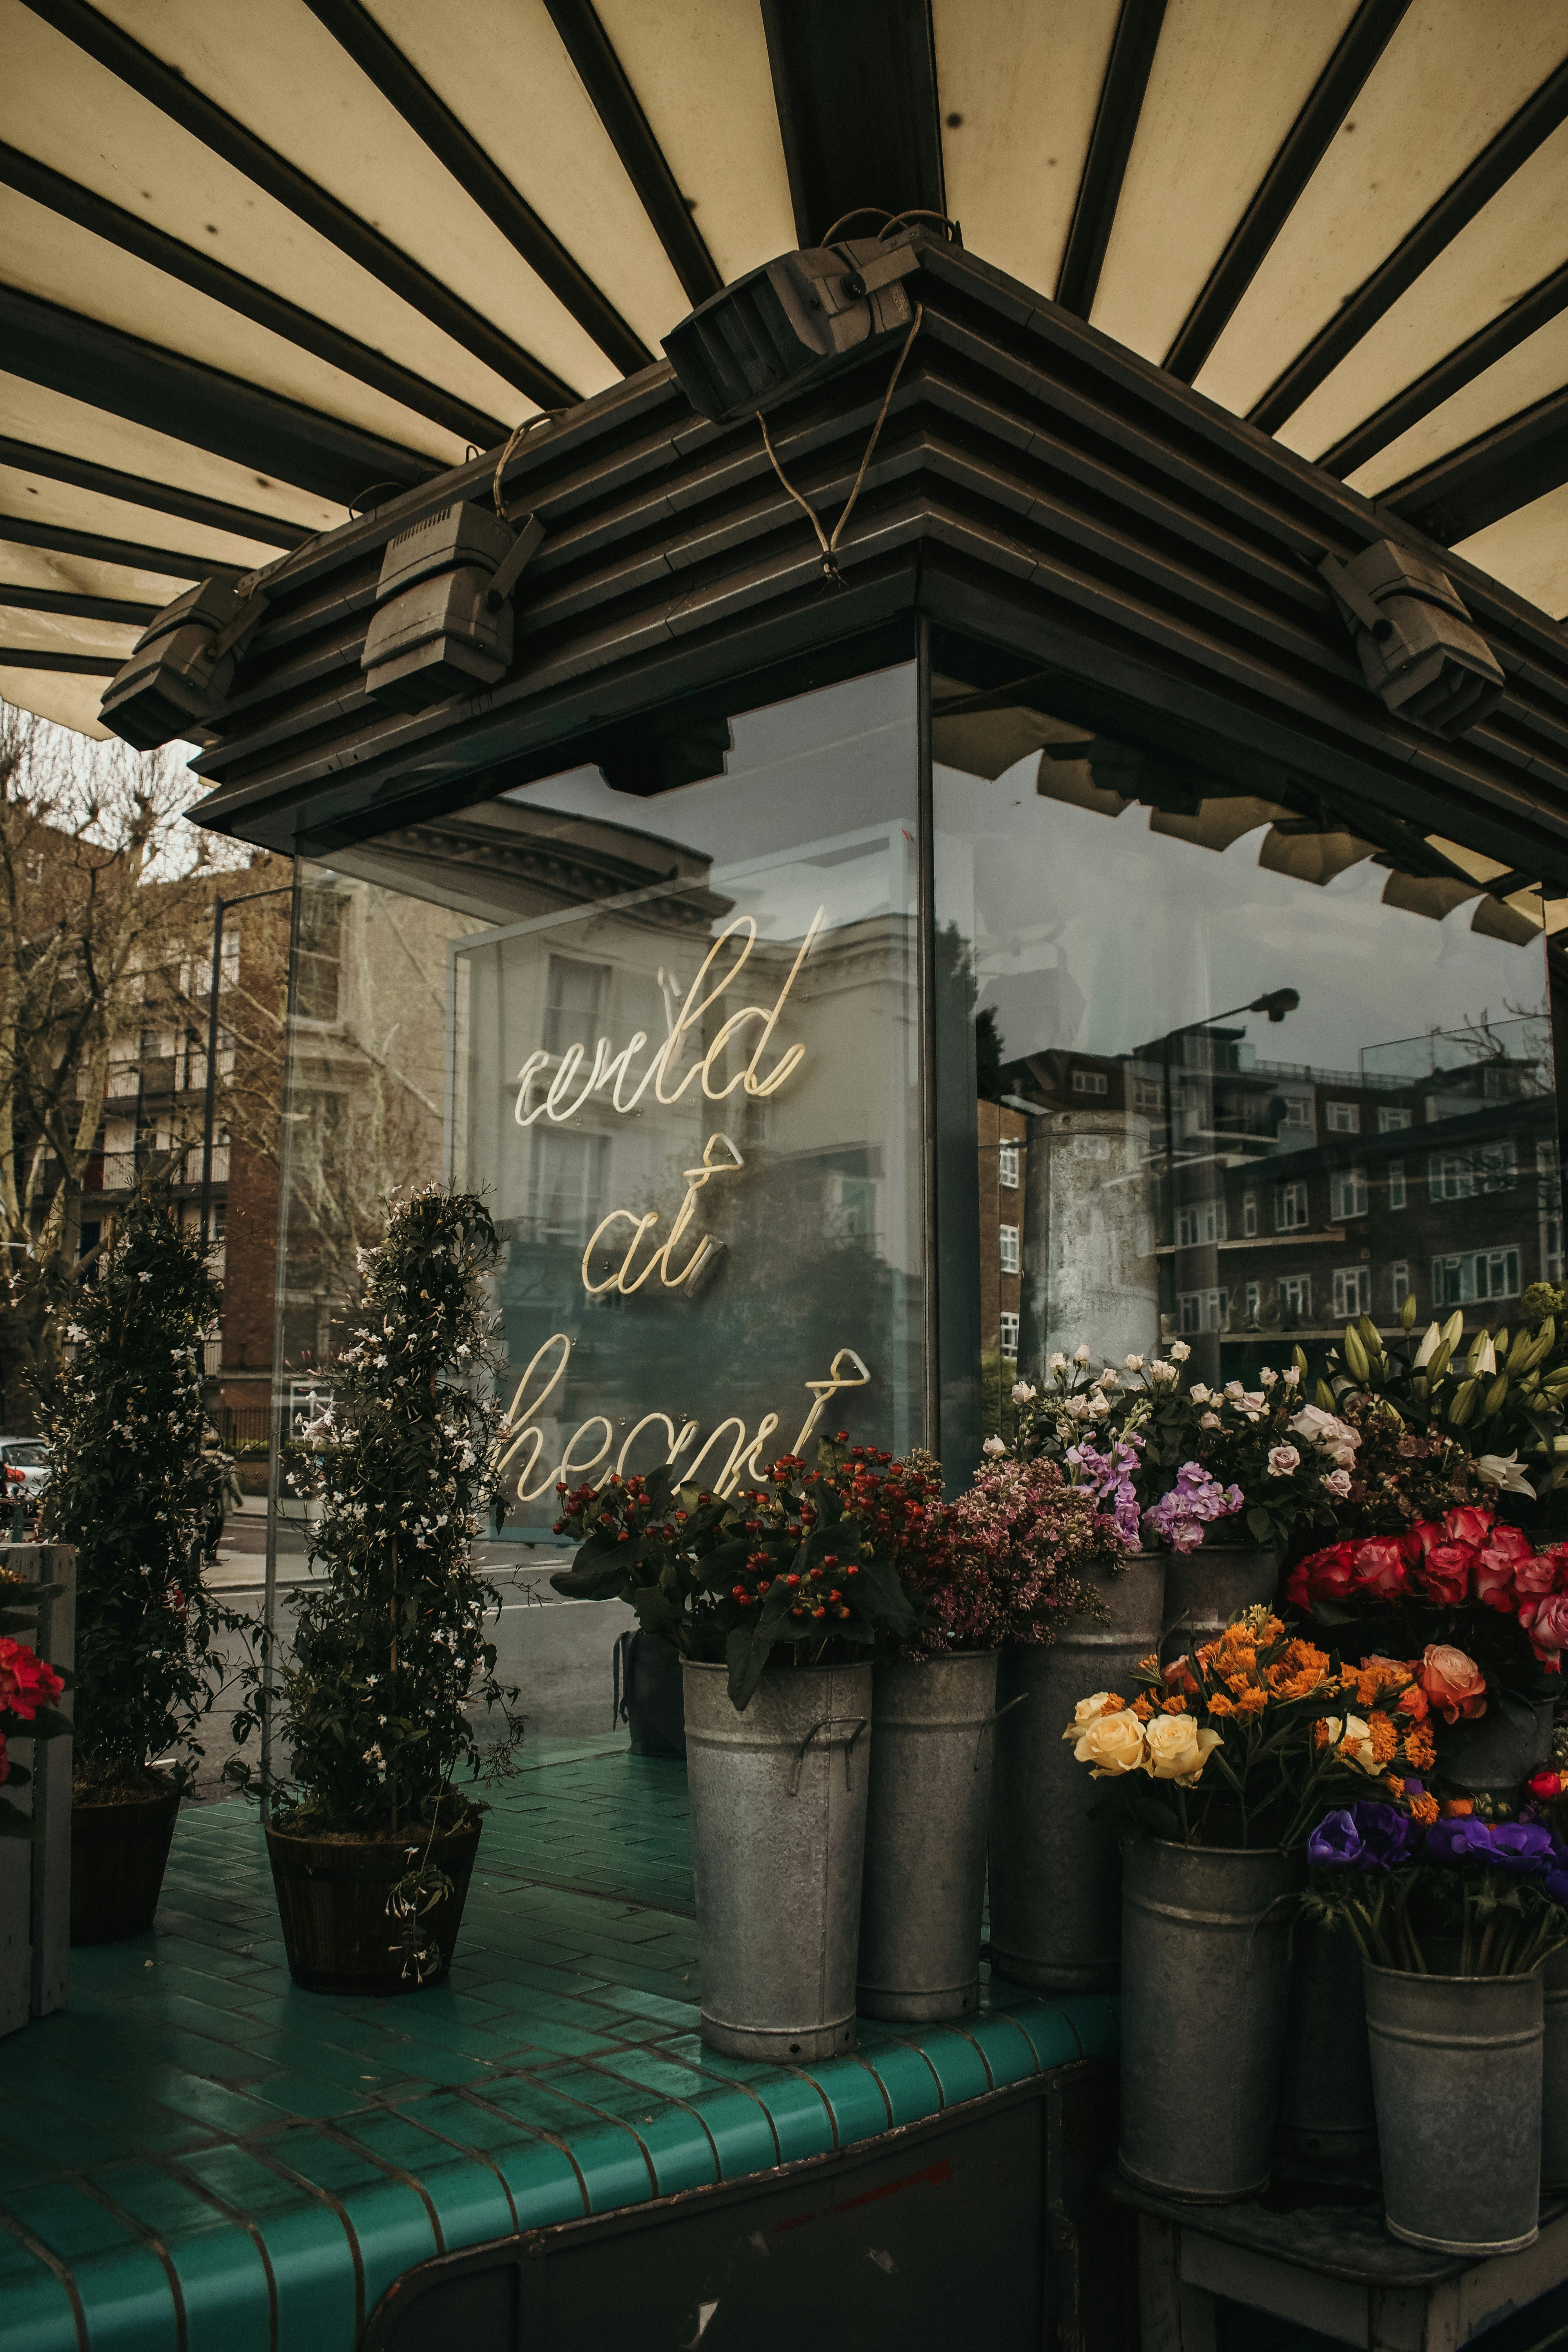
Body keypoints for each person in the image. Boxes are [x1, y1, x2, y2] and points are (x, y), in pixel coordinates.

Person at [196, 1432, 244, 1566]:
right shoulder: (225, 1462)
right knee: (216, 1531)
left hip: (204, 1502)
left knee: (203, 1529)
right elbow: (233, 1483)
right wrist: (239, 1500)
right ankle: (211, 1556)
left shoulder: (200, 1461)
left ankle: (201, 1552)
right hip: (220, 1503)